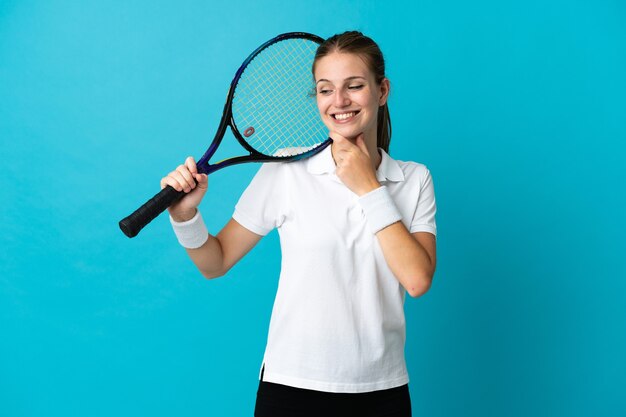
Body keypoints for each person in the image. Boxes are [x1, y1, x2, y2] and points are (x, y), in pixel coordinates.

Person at [161, 31, 437, 417]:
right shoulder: (288, 169)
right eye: (325, 90)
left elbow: (417, 279)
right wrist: (185, 215)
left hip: (382, 391)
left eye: (354, 86)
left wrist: (368, 187)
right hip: (291, 389)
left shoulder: (414, 179)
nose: (338, 102)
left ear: (383, 90)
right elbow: (215, 262)